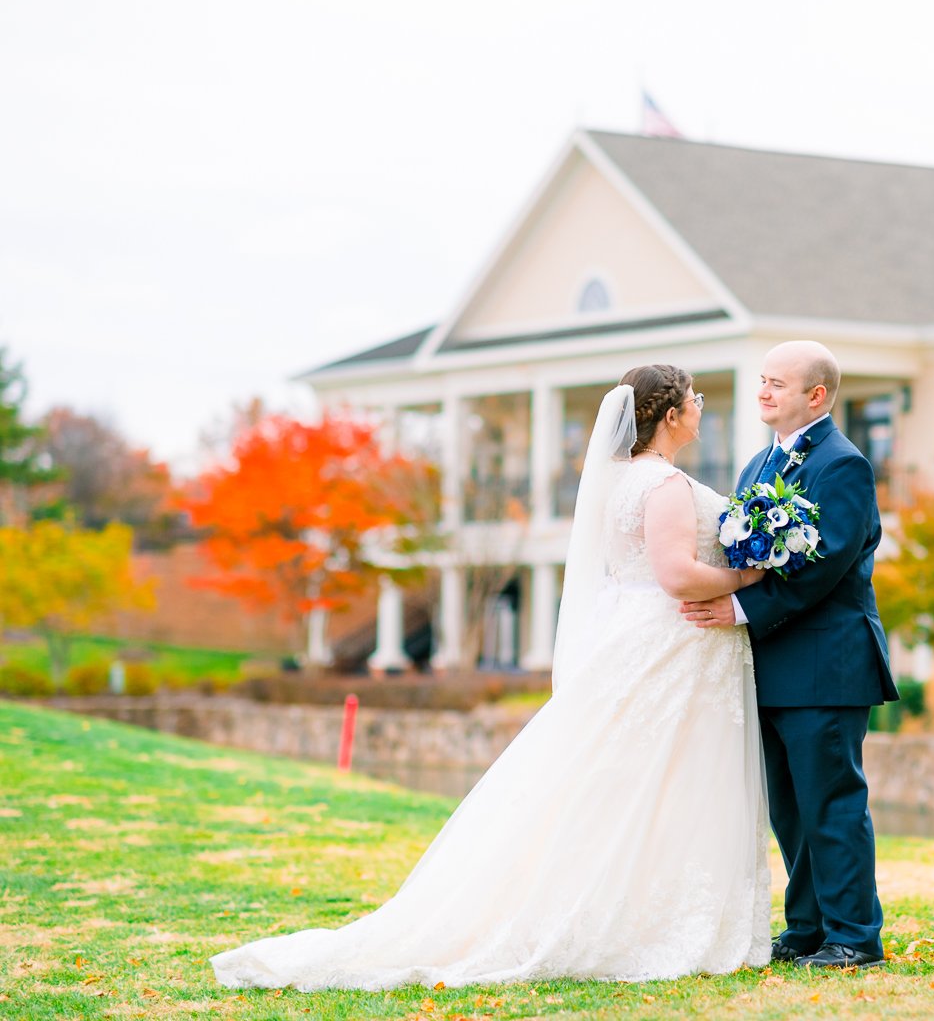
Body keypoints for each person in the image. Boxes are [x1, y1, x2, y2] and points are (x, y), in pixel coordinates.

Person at [211, 365, 771, 990]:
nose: (700, 405)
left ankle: (645, 909)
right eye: (693, 398)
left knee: (637, 782)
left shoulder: (617, 481)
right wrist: (750, 579)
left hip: (646, 639)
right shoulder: (663, 484)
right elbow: (676, 576)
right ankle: (651, 919)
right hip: (672, 639)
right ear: (669, 416)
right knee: (663, 780)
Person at [681, 340, 898, 969]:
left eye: (778, 383)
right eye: (762, 381)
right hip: (772, 666)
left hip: (828, 666)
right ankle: (807, 929)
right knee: (790, 809)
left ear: (817, 395)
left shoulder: (843, 465)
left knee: (832, 803)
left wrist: (743, 610)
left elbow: (826, 559)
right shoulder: (755, 467)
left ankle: (855, 937)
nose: (764, 392)